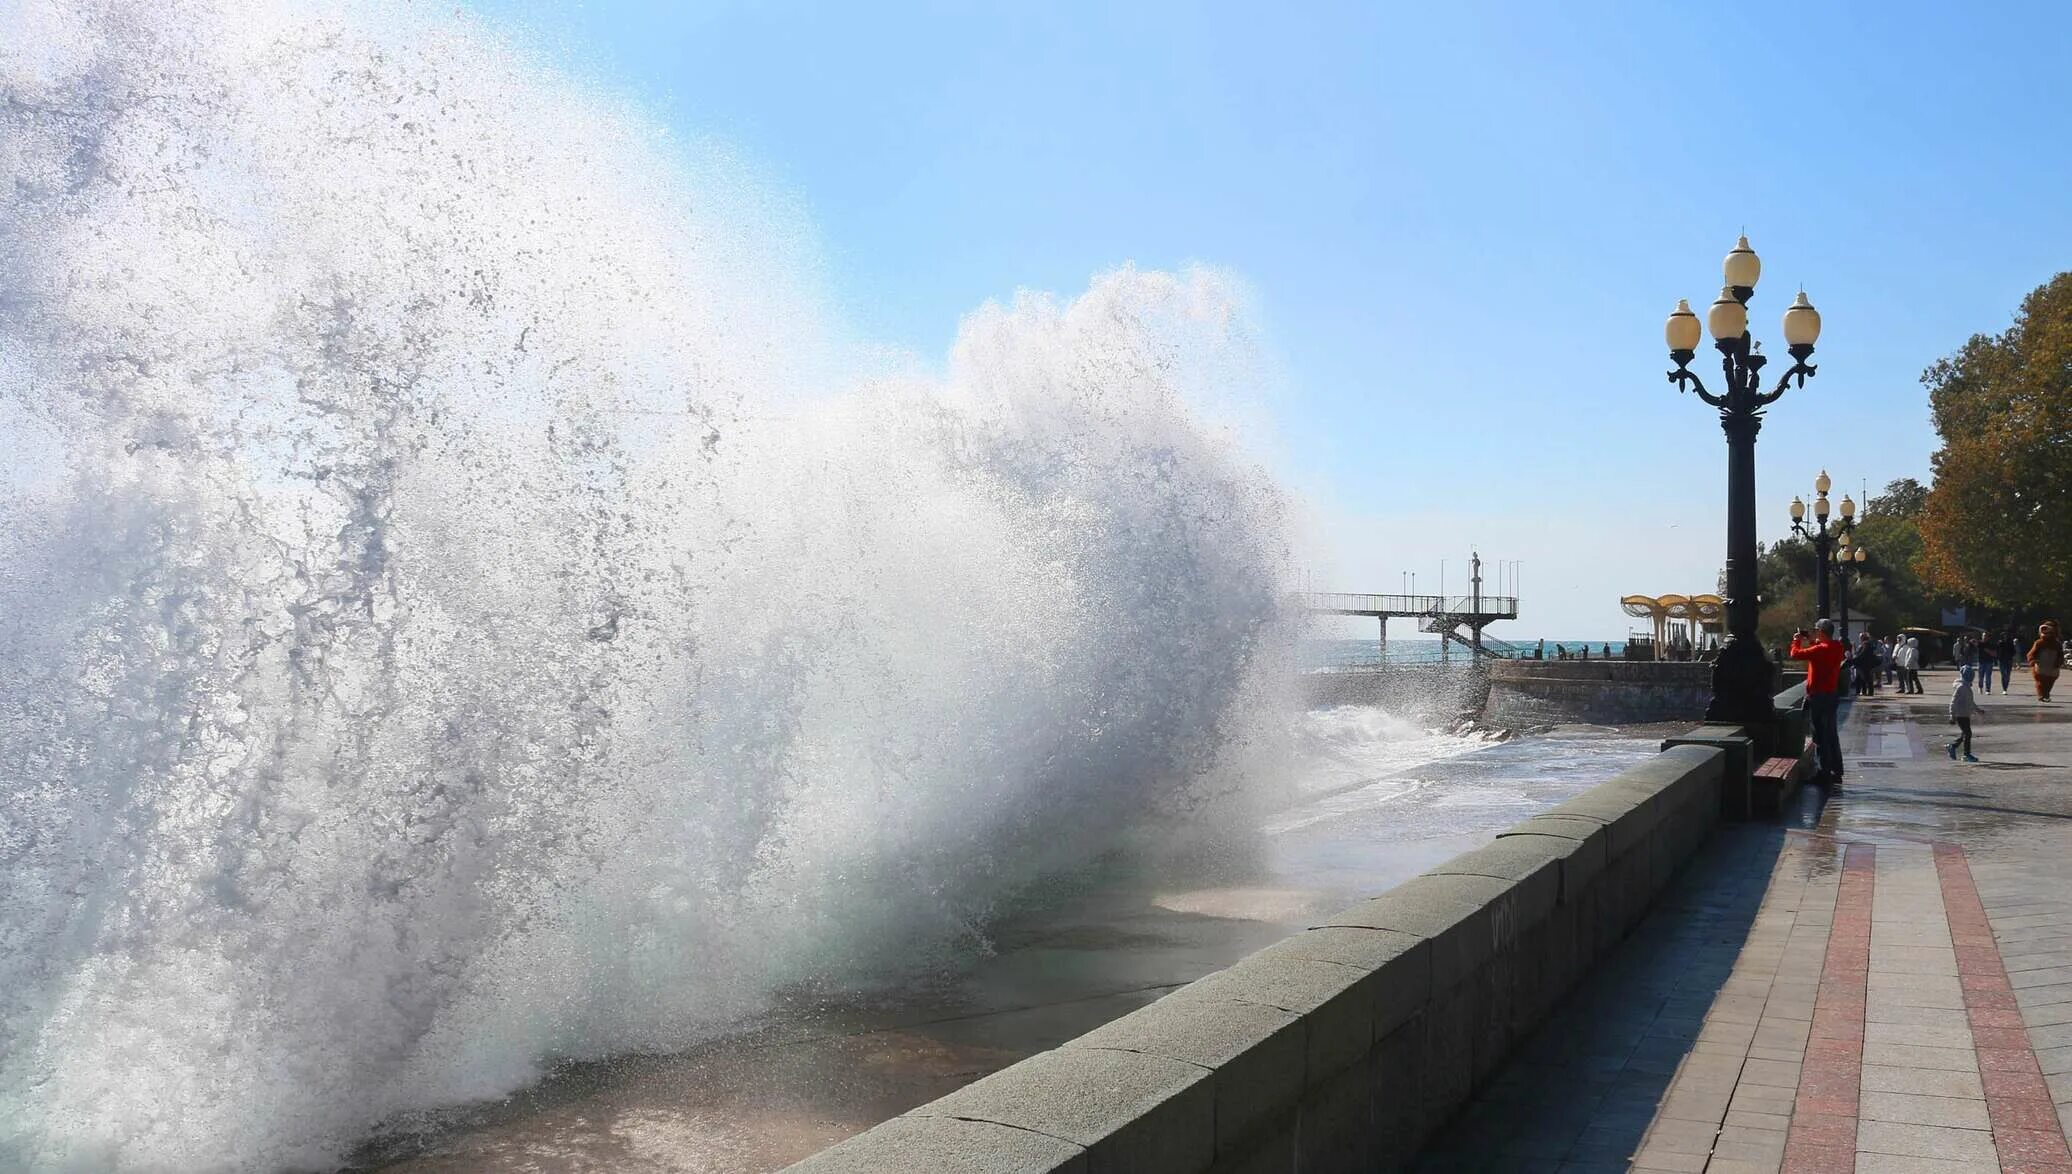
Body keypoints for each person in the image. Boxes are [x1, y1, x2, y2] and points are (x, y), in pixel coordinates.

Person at [1789, 619, 1850, 785]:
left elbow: (1795, 654)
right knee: (1831, 734)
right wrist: (1810, 639)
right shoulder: (1837, 647)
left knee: (1820, 735)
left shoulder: (1818, 650)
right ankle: (1837, 771)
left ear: (1822, 632)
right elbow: (1822, 645)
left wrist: (1796, 640)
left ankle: (1823, 773)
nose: (1815, 633)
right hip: (1831, 695)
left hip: (1818, 697)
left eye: (1817, 630)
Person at [1947, 664, 1983, 762]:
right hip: (1960, 715)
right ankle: (1966, 754)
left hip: (1965, 714)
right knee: (1968, 733)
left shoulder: (1966, 687)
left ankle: (1953, 746)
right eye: (1970, 676)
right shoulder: (1961, 687)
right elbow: (1953, 702)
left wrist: (1978, 710)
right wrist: (1952, 715)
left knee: (1965, 733)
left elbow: (1971, 702)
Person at [2030, 621, 2064, 701]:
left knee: (2049, 683)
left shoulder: (2057, 644)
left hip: (2052, 668)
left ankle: (2046, 694)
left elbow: (2060, 655)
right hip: (2040, 667)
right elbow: (2031, 653)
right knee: (2040, 682)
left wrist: (2058, 663)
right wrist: (2033, 661)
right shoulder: (2039, 643)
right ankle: (2041, 695)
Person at [1996, 626, 2019, 693]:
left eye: (2006, 635)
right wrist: (1997, 657)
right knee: (2003, 674)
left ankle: (2006, 687)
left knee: (2008, 675)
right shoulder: (2000, 643)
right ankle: (2004, 689)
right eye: (2004, 636)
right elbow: (1997, 651)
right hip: (2001, 660)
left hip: (2009, 660)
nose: (2005, 637)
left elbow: (2013, 651)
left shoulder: (2010, 643)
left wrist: (2012, 658)